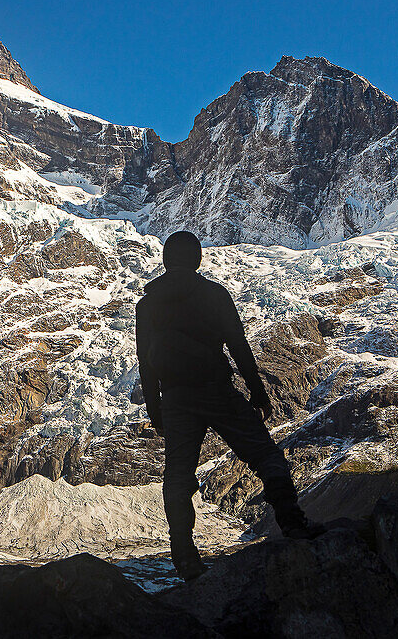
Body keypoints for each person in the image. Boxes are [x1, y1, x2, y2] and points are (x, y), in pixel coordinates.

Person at [135, 231, 324, 581]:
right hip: (217, 391)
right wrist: (258, 392)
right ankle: (293, 524)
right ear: (197, 259)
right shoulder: (213, 295)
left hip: (175, 399)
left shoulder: (147, 304)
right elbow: (238, 346)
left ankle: (186, 561)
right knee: (265, 456)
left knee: (177, 479)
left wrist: (155, 409)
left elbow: (145, 362)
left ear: (165, 260)